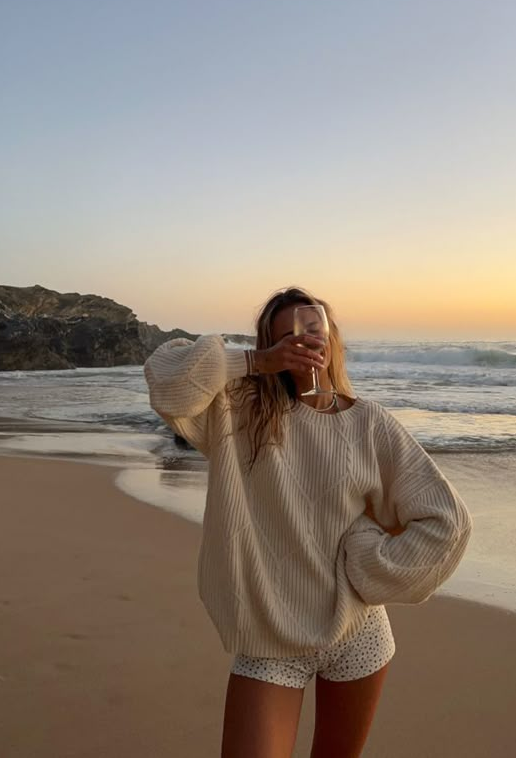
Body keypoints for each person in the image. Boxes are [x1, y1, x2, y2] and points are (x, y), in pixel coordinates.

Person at [144, 287, 472, 758]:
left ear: (332, 339)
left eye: (312, 329)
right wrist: (257, 363)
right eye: (283, 338)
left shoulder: (369, 424)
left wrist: (366, 566)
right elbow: (168, 379)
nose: (300, 342)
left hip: (356, 632)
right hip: (269, 638)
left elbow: (448, 521)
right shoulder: (235, 412)